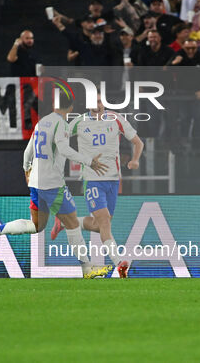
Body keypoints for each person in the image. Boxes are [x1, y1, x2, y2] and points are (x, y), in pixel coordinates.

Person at [0, 93, 112, 279]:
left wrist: (26, 172)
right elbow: (64, 149)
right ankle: (87, 268)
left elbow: (27, 152)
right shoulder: (61, 124)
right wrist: (89, 161)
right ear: (70, 108)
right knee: (72, 224)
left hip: (36, 183)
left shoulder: (42, 122)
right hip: (52, 184)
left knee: (36, 225)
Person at [51, 96, 144, 278]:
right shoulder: (79, 121)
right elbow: (60, 140)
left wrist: (135, 160)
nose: (97, 105)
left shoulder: (115, 119)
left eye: (99, 102)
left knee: (99, 225)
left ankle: (64, 222)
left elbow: (138, 142)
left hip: (113, 180)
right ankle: (120, 263)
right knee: (104, 222)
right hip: (92, 179)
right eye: (93, 102)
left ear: (104, 103)